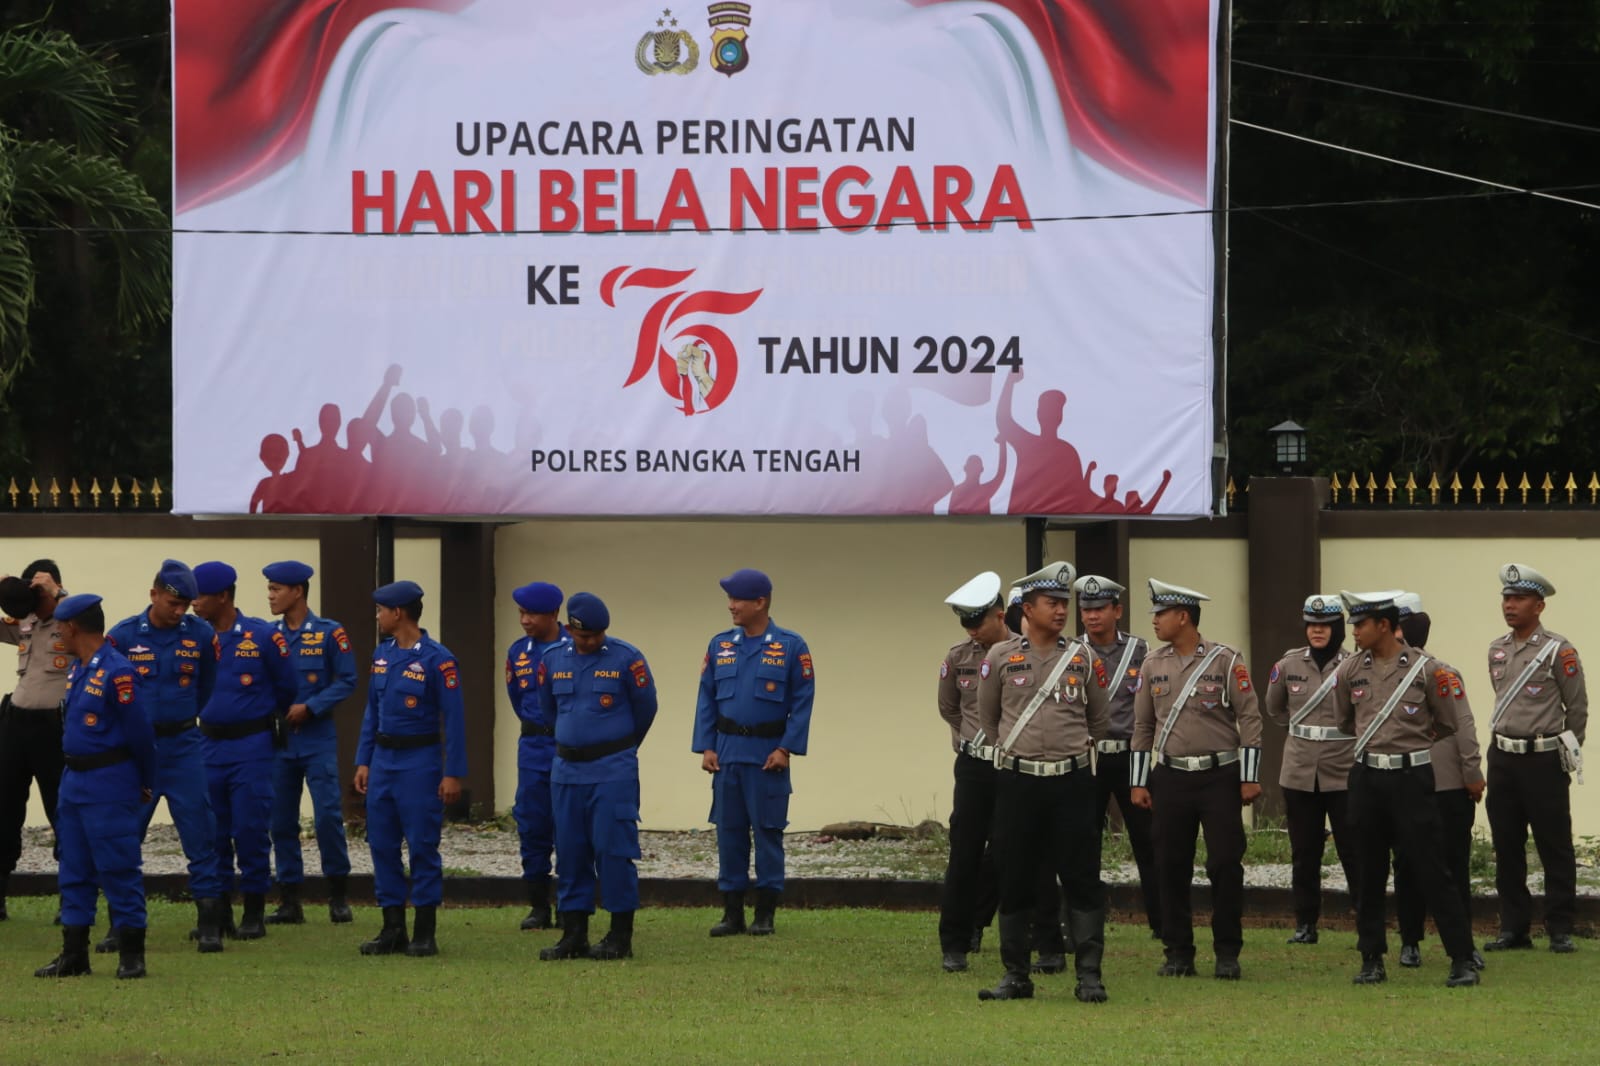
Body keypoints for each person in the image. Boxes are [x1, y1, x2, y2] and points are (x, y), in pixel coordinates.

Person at [974, 562, 1112, 1003]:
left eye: (1063, 604)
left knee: (1082, 877)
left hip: (1071, 783)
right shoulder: (999, 658)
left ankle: (1089, 974)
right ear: (1026, 609)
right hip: (1019, 782)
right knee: (1013, 875)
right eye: (1052, 604)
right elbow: (989, 719)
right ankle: (1016, 974)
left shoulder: (1083, 657)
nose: (1061, 611)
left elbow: (1099, 717)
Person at [1332, 590, 1479, 988]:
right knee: (1368, 870)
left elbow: (1447, 722)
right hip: (1366, 778)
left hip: (1412, 779)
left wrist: (1409, 744)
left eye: (1361, 624)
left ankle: (1461, 959)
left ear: (1384, 625)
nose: (1355, 632)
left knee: (1432, 867)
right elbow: (1346, 720)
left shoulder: (1427, 670)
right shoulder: (1349, 670)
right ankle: (1371, 958)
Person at [1129, 579, 1262, 980]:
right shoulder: (1152, 664)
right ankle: (1178, 952)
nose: (1153, 621)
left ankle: (1227, 952)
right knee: (1170, 864)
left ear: (1183, 617)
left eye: (1160, 614)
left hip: (1219, 776)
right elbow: (1142, 725)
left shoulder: (1226, 660)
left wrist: (1249, 777)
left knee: (1224, 862)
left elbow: (1250, 718)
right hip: (1170, 777)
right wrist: (1139, 782)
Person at [103, 560, 227, 954]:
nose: (179, 611)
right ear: (154, 594)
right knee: (125, 836)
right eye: (173, 602)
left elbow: (206, 688)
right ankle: (119, 926)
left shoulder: (202, 635)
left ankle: (209, 924)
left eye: (186, 605)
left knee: (200, 832)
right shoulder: (122, 637)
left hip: (183, 746)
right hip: (138, 751)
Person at [33, 594, 155, 980]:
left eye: (59, 629)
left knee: (118, 865)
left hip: (109, 780)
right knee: (73, 866)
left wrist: (146, 781)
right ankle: (74, 954)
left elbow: (141, 735)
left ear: (71, 628)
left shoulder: (118, 671)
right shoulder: (79, 669)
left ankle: (131, 953)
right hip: (75, 781)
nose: (58, 635)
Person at [693, 569, 815, 938]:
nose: (731, 606)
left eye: (738, 599)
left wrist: (786, 748)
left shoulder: (790, 646)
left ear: (760, 602)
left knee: (767, 832)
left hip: (767, 753)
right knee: (728, 833)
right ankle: (732, 913)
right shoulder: (720, 645)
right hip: (728, 752)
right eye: (729, 599)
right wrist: (707, 745)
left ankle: (765, 913)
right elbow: (706, 698)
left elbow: (803, 701)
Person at [535, 593, 657, 961]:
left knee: (614, 851)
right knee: (570, 851)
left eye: (597, 635)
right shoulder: (553, 659)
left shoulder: (626, 658)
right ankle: (574, 934)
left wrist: (616, 746)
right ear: (570, 629)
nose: (591, 641)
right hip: (567, 771)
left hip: (612, 770)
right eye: (584, 636)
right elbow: (548, 710)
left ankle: (620, 935)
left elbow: (646, 708)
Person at [353, 580, 467, 957]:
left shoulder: (438, 658)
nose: (377, 616)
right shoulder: (382, 655)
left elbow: (454, 720)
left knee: (421, 845)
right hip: (384, 761)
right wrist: (363, 760)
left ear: (398, 613)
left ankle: (424, 931)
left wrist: (453, 773)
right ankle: (391, 928)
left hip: (420, 762)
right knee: (382, 844)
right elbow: (373, 710)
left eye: (381, 610)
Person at [1483, 563, 1587, 955]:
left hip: (1543, 759)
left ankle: (1560, 927)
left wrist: (1567, 751)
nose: (1510, 605)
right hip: (1504, 757)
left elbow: (1577, 708)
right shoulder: (1497, 648)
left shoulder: (1560, 649)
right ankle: (1514, 927)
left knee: (1554, 845)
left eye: (1519, 598)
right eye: (1507, 599)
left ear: (1539, 605)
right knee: (1507, 845)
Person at [191, 562, 297, 940]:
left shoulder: (263, 636)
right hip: (207, 743)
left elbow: (287, 688)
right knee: (212, 830)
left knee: (250, 827)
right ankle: (217, 912)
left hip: (251, 744)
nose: (193, 603)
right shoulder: (194, 637)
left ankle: (254, 910)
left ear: (223, 596)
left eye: (200, 595)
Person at [1391, 592, 1485, 970]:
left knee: (1453, 866)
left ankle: (1463, 942)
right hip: (1403, 780)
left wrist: (1472, 771)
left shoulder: (1441, 672)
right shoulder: (1377, 675)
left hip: (1445, 782)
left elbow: (1463, 723)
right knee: (1407, 865)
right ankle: (1410, 940)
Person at [263, 560, 358, 925]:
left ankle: (338, 895)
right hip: (280, 740)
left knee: (327, 817)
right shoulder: (269, 636)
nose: (270, 596)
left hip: (317, 737)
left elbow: (347, 680)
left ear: (297, 591)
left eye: (276, 589)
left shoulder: (329, 633)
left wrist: (312, 707)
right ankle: (290, 899)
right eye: (270, 589)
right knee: (281, 820)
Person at [1262, 593, 1357, 946]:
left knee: (1353, 850)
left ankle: (1365, 918)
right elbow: (1274, 709)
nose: (1317, 631)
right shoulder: (1288, 665)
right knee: (1304, 852)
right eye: (1312, 625)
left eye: (1325, 625)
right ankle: (1305, 923)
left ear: (1336, 628)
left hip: (1343, 768)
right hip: (1300, 769)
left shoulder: (1353, 664)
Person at [934, 571, 1016, 973]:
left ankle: (978, 921)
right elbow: (949, 707)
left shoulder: (1026, 651)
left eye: (977, 622)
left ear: (1000, 615)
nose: (971, 631)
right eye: (965, 623)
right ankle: (954, 941)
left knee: (1003, 851)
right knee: (963, 853)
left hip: (1013, 766)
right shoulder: (958, 657)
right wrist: (970, 737)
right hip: (973, 766)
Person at [1073, 573, 1160, 941]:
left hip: (1130, 757)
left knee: (1149, 843)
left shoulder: (1140, 651)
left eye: (1100, 609)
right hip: (1088, 757)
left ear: (1117, 611)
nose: (1092, 616)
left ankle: (1162, 922)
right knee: (1081, 843)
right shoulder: (1072, 651)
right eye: (1086, 609)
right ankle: (1084, 924)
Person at [0, 560, 70, 921]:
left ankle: (70, 899)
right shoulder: (25, 622)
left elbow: (92, 622)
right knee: (4, 806)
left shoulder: (73, 618)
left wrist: (57, 595)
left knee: (63, 809)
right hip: (15, 724)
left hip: (55, 728)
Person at [506, 581, 570, 932]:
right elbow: (518, 699)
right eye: (521, 613)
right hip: (532, 749)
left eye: (531, 614)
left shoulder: (574, 647)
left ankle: (568, 903)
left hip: (566, 749)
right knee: (532, 823)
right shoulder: (519, 652)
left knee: (569, 827)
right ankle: (538, 905)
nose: (525, 620)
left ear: (553, 615)